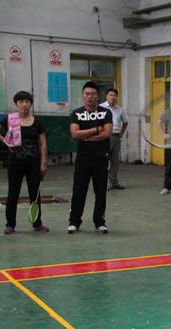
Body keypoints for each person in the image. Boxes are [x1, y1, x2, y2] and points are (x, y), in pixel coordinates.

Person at [0, 90, 49, 234]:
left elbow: (43, 144)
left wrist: (43, 163)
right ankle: (10, 224)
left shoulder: (37, 123)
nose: (24, 104)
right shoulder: (11, 119)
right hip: (15, 162)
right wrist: (6, 142)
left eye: (27, 102)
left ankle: (37, 223)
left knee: (35, 193)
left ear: (31, 104)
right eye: (21, 102)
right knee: (13, 192)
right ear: (16, 104)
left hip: (33, 163)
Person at [68, 81, 113, 234]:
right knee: (78, 191)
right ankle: (74, 222)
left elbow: (107, 133)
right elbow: (74, 133)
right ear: (83, 96)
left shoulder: (106, 113)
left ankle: (99, 222)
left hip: (101, 158)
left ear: (97, 96)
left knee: (100, 192)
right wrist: (96, 129)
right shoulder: (76, 113)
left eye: (93, 94)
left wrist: (86, 136)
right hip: (83, 159)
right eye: (87, 94)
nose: (90, 97)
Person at [100, 88, 128, 190]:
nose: (113, 97)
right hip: (105, 137)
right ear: (106, 96)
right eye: (110, 95)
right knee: (103, 161)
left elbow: (125, 122)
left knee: (115, 162)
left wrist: (121, 134)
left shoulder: (120, 110)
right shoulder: (100, 108)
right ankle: (102, 183)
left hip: (116, 137)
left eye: (115, 95)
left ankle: (114, 182)